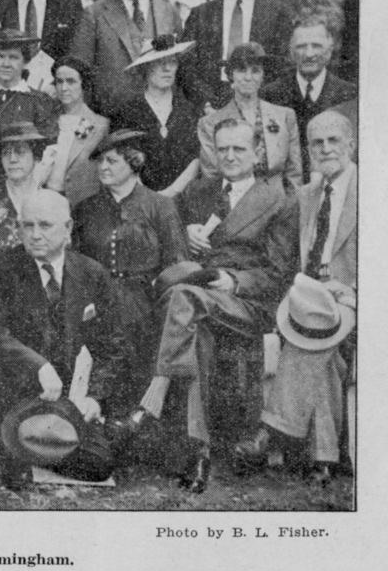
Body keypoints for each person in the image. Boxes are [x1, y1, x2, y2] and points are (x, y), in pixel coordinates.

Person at [111, 118, 298, 493]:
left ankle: (151, 401)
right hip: (198, 297)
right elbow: (173, 251)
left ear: (258, 152)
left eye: (238, 149)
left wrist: (236, 281)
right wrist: (187, 234)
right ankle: (200, 452)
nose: (229, 156)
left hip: (246, 305)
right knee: (193, 325)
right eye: (222, 148)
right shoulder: (197, 193)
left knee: (185, 301)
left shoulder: (279, 196)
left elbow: (279, 273)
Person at [0, 189, 132, 490]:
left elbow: (113, 346)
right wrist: (37, 365)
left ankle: (30, 452)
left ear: (68, 228)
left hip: (68, 401)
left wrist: (93, 398)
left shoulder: (92, 273)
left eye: (45, 225)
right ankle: (21, 445)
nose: (34, 235)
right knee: (79, 454)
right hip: (19, 395)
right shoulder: (2, 271)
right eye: (26, 226)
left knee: (101, 462)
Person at [232, 111, 357, 484]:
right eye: (317, 142)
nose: (326, 148)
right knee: (319, 337)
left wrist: (356, 292)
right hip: (309, 305)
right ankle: (324, 459)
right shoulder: (304, 197)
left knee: (317, 336)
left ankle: (273, 429)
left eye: (334, 140)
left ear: (351, 143)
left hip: (356, 304)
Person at [72, 130, 191, 408]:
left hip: (146, 304)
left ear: (134, 163)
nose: (103, 167)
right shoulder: (86, 209)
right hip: (95, 302)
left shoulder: (160, 206)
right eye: (100, 161)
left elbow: (177, 264)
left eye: (112, 161)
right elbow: (75, 264)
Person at [232, 274, 355, 487]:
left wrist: (346, 296)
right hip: (307, 314)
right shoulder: (306, 238)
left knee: (311, 346)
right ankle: (323, 458)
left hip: (351, 315)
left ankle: (269, 432)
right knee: (319, 350)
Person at [69, 0, 183, 116]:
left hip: (161, 117)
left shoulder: (169, 12)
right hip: (111, 120)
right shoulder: (94, 14)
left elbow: (180, 69)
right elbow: (78, 74)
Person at [180, 0, 292, 109]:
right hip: (210, 105)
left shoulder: (277, 14)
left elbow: (284, 68)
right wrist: (207, 103)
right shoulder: (200, 15)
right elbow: (186, 69)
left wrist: (256, 101)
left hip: (260, 103)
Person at [0, 28, 62, 192]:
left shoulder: (39, 101)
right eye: (0, 56)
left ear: (25, 62)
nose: (6, 63)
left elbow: (50, 153)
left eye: (14, 57)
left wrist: (28, 190)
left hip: (26, 191)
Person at [259, 17, 358, 178]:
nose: (309, 54)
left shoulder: (349, 95)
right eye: (301, 46)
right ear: (291, 50)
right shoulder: (270, 95)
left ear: (329, 49)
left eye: (316, 46)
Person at [197, 42, 302, 189]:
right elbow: (212, 178)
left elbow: (294, 175)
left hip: (278, 202)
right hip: (235, 203)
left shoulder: (284, 116)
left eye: (255, 71)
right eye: (241, 70)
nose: (248, 77)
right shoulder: (210, 123)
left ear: (263, 75)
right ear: (231, 74)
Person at [108, 35, 201, 195]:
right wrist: (147, 197)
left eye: (172, 61)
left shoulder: (189, 110)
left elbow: (196, 158)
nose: (167, 68)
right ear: (145, 68)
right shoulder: (127, 111)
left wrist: (170, 192)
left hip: (183, 196)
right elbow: (121, 159)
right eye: (159, 62)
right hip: (138, 197)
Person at [43, 56, 109, 206]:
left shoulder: (99, 125)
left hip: (82, 205)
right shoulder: (46, 120)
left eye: (71, 81)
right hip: (47, 202)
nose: (64, 88)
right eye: (59, 81)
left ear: (83, 84)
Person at [0, 121, 48, 260]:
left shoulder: (50, 202)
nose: (12, 159)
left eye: (20, 152)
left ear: (36, 156)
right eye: (6, 153)